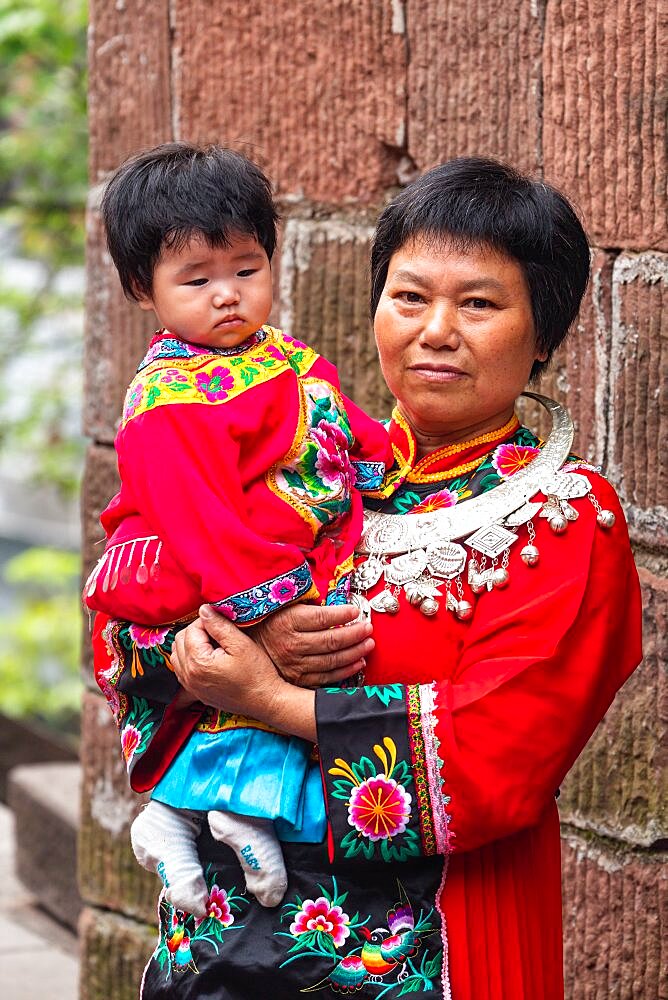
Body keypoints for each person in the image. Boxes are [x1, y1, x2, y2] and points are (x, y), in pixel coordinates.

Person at [92, 157, 642, 999]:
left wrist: (269, 699)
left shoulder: (562, 520)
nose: (436, 330)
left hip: (431, 936)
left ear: (546, 332)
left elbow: (500, 749)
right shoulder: (323, 464)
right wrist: (186, 649)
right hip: (222, 935)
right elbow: (133, 607)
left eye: (481, 303)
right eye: (410, 296)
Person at [85, 142, 392, 917]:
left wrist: (392, 467)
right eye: (197, 280)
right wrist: (272, 605)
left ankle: (176, 817)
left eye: (246, 270)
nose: (227, 295)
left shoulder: (280, 355)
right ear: (141, 289)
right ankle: (241, 804)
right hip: (200, 561)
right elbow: (200, 518)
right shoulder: (167, 403)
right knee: (266, 663)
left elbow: (342, 425)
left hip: (253, 549)